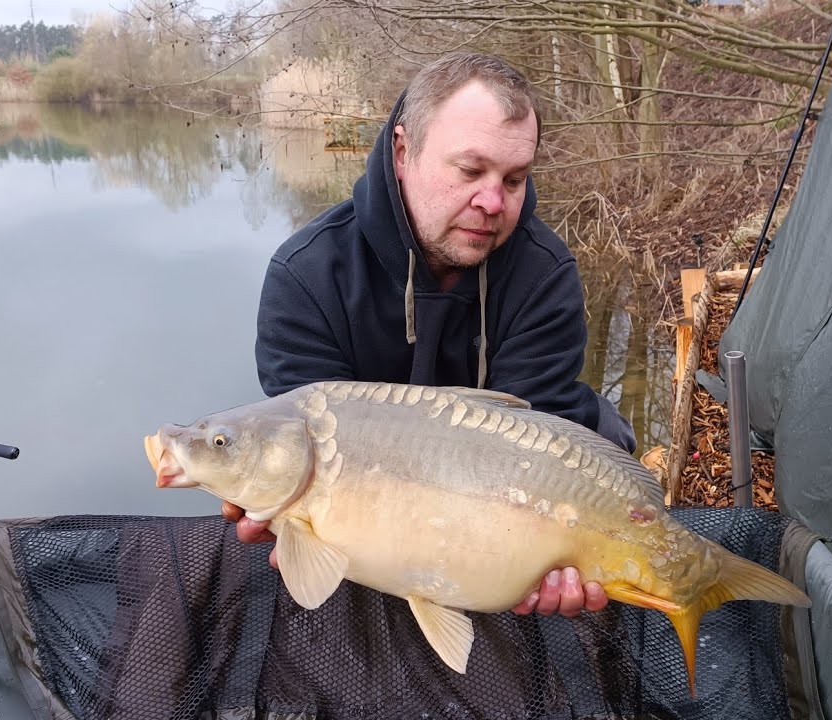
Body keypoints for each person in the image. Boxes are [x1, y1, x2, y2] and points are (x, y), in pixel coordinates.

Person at [222, 51, 636, 619]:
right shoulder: (307, 275)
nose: (493, 203)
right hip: (373, 521)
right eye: (469, 171)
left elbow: (543, 447)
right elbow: (307, 458)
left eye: (515, 179)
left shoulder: (545, 275)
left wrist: (550, 558)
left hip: (495, 513)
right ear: (402, 152)